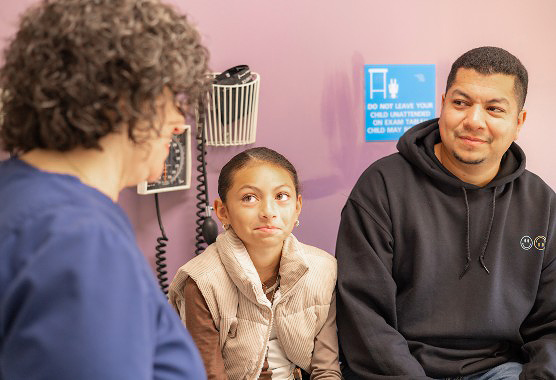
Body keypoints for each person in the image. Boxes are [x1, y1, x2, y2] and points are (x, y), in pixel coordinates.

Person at [0, 0, 209, 379]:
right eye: (170, 100)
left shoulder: (17, 195)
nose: (180, 122)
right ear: (122, 99)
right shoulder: (79, 240)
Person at [336, 46, 556, 379]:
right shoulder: (382, 186)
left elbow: (551, 324)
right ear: (442, 104)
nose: (474, 121)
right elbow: (363, 314)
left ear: (518, 121)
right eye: (461, 103)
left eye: (494, 109)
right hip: (401, 368)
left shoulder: (543, 205)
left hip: (501, 369)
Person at [169, 147, 341, 380]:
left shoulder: (323, 270)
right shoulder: (201, 281)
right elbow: (209, 375)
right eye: (249, 198)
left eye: (281, 196)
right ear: (222, 211)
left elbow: (327, 370)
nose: (268, 212)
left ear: (297, 206)